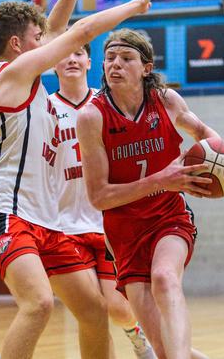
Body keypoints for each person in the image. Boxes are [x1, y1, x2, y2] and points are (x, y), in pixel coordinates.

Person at [0, 0, 155, 358]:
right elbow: (79, 31)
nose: (48, 43)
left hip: (46, 221)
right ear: (17, 45)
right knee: (38, 303)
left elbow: (55, 28)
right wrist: (135, 6)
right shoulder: (10, 76)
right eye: (38, 38)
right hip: (4, 210)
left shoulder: (28, 78)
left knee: (94, 312)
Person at [76, 28, 216, 359]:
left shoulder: (165, 101)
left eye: (126, 59)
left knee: (166, 278)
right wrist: (158, 179)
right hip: (124, 233)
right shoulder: (91, 117)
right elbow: (98, 197)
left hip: (169, 216)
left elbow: (204, 133)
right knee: (164, 351)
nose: (115, 65)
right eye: (110, 58)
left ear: (146, 68)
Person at [50, 43, 154, 359]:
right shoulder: (44, 108)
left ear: (89, 61)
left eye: (78, 53)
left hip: (108, 221)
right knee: (92, 312)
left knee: (118, 308)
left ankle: (138, 338)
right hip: (63, 225)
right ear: (52, 64)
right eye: (64, 54)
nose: (71, 59)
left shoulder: (105, 104)